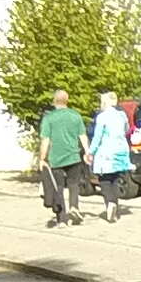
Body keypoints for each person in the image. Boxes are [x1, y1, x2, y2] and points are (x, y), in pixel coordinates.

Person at [39, 90, 90, 227]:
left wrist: (42, 158)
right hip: (73, 156)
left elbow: (45, 140)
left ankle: (62, 219)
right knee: (74, 185)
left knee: (58, 188)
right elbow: (82, 136)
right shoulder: (75, 115)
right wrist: (87, 151)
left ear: (54, 101)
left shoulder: (49, 118)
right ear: (67, 100)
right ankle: (74, 207)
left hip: (56, 159)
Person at [88, 89, 136, 223]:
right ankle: (114, 203)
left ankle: (110, 203)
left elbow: (97, 136)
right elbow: (127, 130)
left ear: (104, 103)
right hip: (120, 150)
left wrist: (91, 152)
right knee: (115, 179)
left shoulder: (102, 117)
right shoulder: (121, 115)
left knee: (104, 180)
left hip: (106, 152)